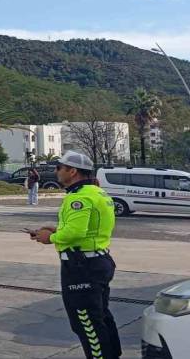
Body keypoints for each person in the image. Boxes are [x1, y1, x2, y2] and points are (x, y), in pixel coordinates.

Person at [30, 151, 120, 359]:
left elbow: (75, 233)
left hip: (82, 266)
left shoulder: (79, 197)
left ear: (72, 171)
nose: (56, 172)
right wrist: (57, 230)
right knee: (101, 316)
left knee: (86, 322)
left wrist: (51, 238)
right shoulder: (97, 193)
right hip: (97, 260)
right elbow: (89, 230)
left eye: (59, 168)